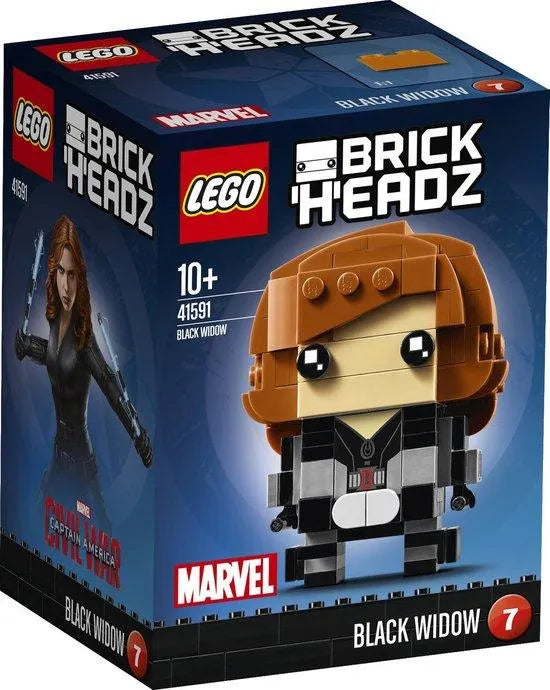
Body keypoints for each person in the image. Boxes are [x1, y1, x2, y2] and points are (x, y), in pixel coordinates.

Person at [15, 215, 152, 530]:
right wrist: (29, 345)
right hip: (58, 453)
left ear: (81, 277)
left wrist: (138, 433)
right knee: (40, 517)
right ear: (53, 272)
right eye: (61, 272)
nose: (66, 285)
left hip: (81, 460)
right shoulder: (55, 320)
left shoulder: (83, 337)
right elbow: (55, 358)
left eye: (73, 274)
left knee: (102, 532)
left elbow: (109, 384)